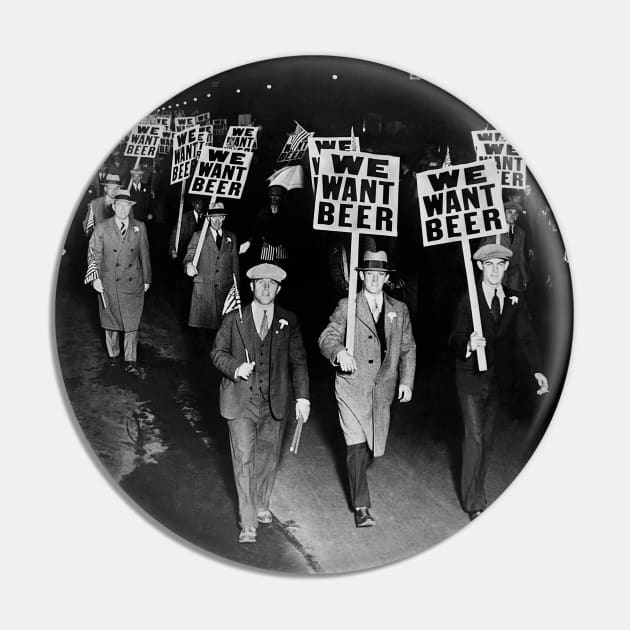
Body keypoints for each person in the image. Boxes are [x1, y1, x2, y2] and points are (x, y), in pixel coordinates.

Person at [210, 263, 310, 543]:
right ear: (251, 286)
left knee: (267, 458)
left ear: (278, 289)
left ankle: (262, 502)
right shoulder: (233, 319)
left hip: (274, 403)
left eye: (272, 284)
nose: (266, 288)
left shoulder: (289, 321)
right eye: (261, 283)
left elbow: (298, 361)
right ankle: (248, 520)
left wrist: (303, 397)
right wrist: (235, 368)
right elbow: (216, 353)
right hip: (240, 402)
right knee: (244, 459)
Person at [450, 243, 549, 520]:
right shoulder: (467, 298)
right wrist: (468, 343)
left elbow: (527, 337)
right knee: (476, 437)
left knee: (487, 439)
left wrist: (537, 370)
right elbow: (454, 336)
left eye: (500, 265)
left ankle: (477, 490)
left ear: (506, 267)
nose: (495, 271)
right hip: (470, 378)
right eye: (489, 265)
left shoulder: (515, 299)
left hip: (498, 381)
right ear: (480, 267)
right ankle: (474, 503)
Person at [318, 251, 416, 527]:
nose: (374, 279)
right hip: (351, 387)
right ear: (360, 275)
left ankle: (359, 484)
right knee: (357, 447)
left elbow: (408, 347)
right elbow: (327, 337)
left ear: (386, 278)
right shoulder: (347, 305)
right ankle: (361, 506)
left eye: (380, 274)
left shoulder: (400, 309)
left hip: (381, 391)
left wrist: (406, 381)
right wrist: (339, 352)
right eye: (369, 273)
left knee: (372, 446)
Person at [87, 190, 151, 375]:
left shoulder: (139, 227)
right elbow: (94, 255)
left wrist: (147, 279)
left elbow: (144, 254)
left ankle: (131, 360)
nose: (123, 209)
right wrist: (95, 279)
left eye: (127, 206)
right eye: (120, 205)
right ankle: (113, 356)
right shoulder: (101, 227)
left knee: (132, 323)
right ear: (113, 207)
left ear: (130, 208)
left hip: (133, 282)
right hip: (109, 282)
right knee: (111, 322)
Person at [183, 201, 240, 348]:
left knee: (222, 336)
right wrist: (188, 265)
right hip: (204, 292)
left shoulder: (231, 238)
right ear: (208, 218)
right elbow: (189, 256)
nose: (217, 220)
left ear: (224, 218)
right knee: (202, 339)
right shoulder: (199, 236)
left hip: (224, 292)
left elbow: (235, 265)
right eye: (214, 217)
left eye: (220, 217)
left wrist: (237, 289)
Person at [479, 201, 529, 291]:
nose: (513, 216)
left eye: (516, 213)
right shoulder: (494, 230)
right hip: (496, 273)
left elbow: (521, 256)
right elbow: (482, 252)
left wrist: (524, 276)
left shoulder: (521, 232)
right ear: (503, 213)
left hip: (514, 277)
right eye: (510, 212)